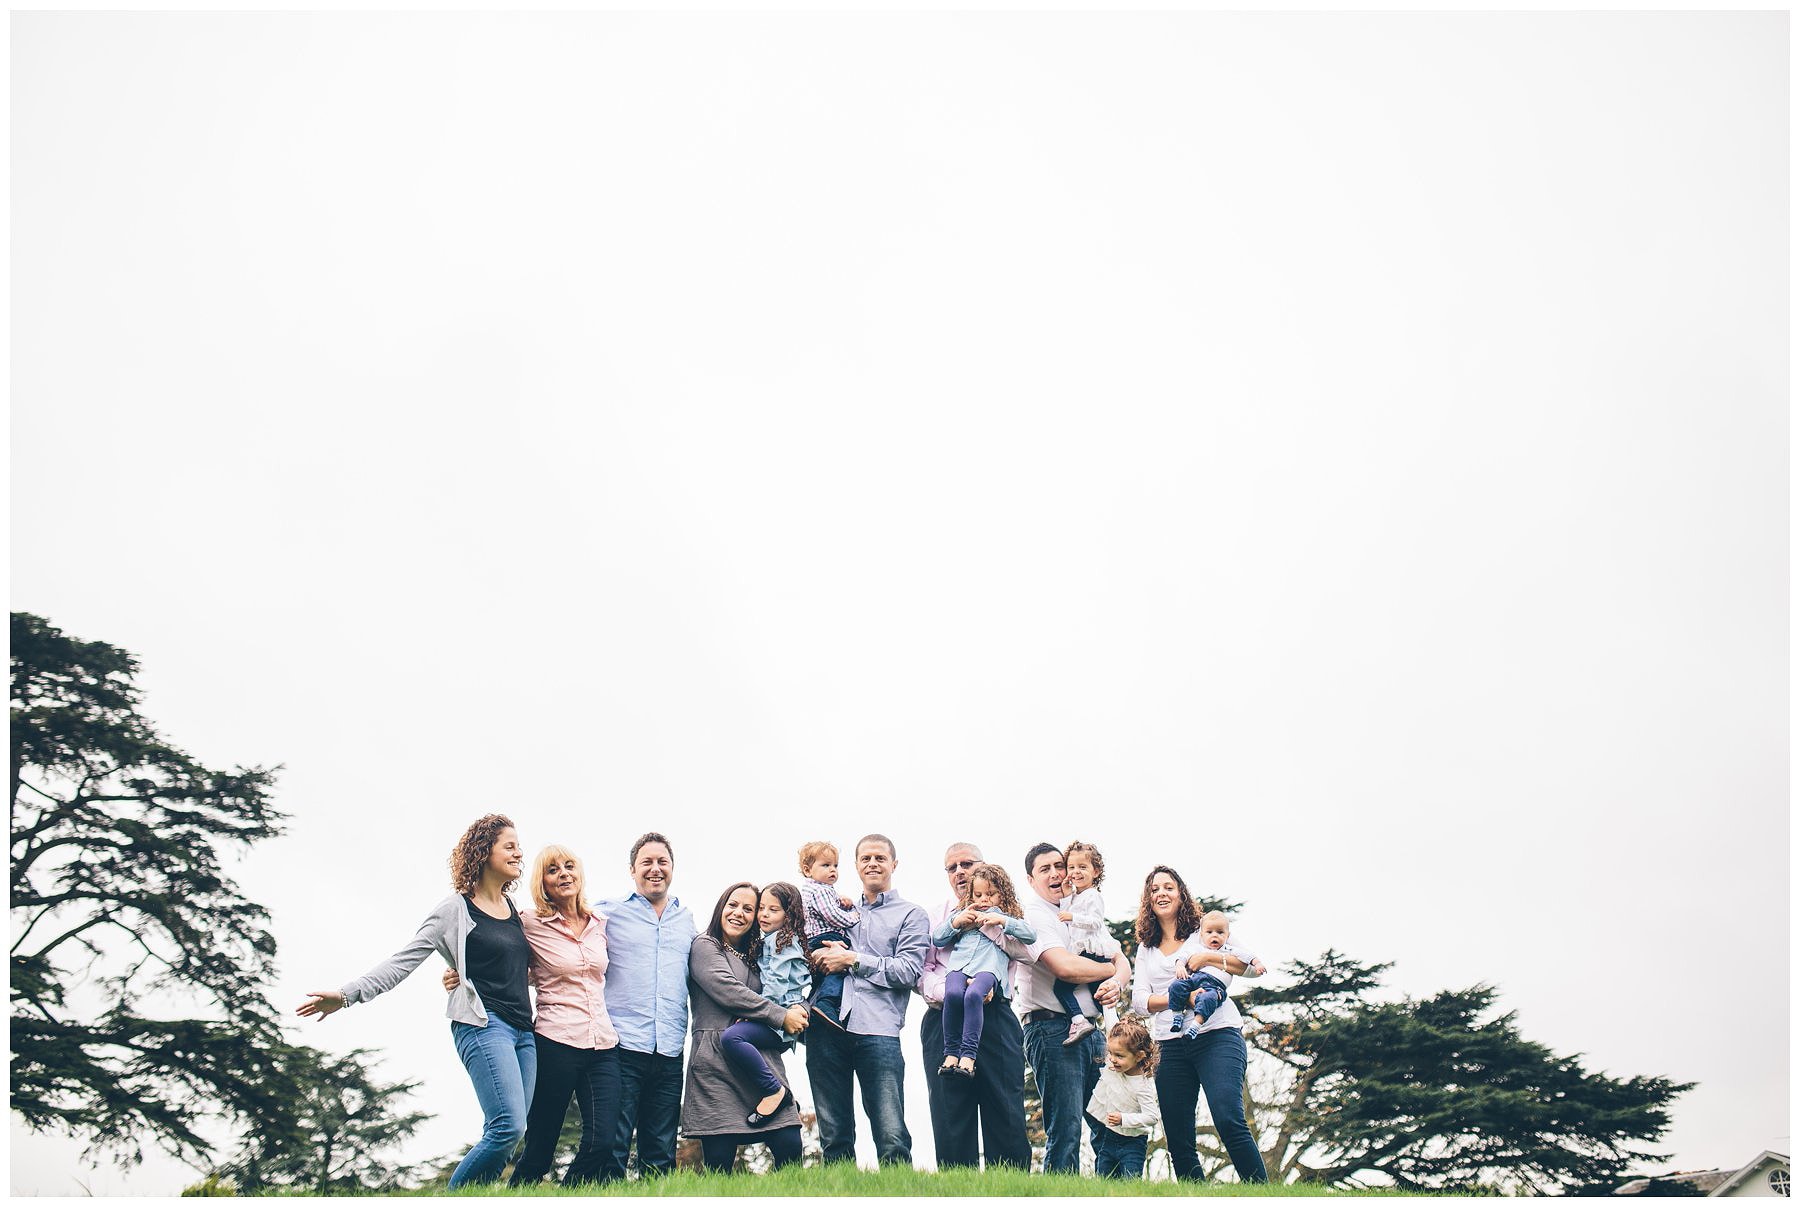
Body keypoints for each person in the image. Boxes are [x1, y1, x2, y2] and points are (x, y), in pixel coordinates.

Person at [296, 814, 535, 1190]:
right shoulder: (453, 910)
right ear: (483, 851)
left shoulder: (514, 911)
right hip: (484, 1025)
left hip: (524, 1031)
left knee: (509, 1133)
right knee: (508, 1126)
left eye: (519, 846)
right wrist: (345, 995)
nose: (519, 852)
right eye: (509, 845)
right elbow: (402, 961)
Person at [442, 844, 623, 1186]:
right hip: (555, 1042)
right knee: (540, 1149)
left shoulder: (601, 923)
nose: (564, 874)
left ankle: (568, 1195)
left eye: (569, 866)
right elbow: (498, 954)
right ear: (542, 882)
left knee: (604, 1141)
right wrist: (460, 973)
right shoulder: (528, 923)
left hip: (603, 1043)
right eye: (553, 870)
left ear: (580, 873)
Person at [1129, 865, 1267, 1183]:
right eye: (1154, 889)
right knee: (1178, 1137)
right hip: (1169, 1043)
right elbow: (1140, 1002)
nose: (1161, 893)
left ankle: (1262, 1193)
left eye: (1168, 887)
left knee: (1229, 1117)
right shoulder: (1146, 948)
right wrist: (1183, 999)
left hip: (1217, 1034)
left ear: (1181, 893)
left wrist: (1208, 958)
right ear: (1148, 900)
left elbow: (1246, 967)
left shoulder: (1203, 932)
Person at [806, 834, 930, 1166]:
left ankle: (898, 1193)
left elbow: (907, 971)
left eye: (879, 858)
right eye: (865, 858)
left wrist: (851, 959)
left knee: (891, 1134)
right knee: (833, 1136)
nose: (872, 863)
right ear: (857, 866)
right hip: (825, 1026)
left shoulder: (912, 915)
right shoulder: (837, 909)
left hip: (878, 1030)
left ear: (893, 864)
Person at [1014, 841, 1132, 1175]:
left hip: (1093, 1032)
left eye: (1059, 866)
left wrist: (1118, 981)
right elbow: (1064, 968)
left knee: (1108, 1122)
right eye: (1045, 869)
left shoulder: (1080, 905)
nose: (1056, 874)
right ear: (1031, 879)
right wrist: (1110, 972)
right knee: (1065, 1128)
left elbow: (1118, 955)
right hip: (1052, 1030)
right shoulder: (1034, 914)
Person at [917, 842, 1033, 1171]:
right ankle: (958, 1189)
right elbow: (922, 971)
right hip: (945, 1015)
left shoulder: (1007, 910)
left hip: (995, 1015)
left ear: (983, 867)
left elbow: (1029, 954)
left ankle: (1011, 1189)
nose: (960, 872)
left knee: (1005, 1108)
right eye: (951, 868)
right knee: (949, 1109)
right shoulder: (936, 916)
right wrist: (951, 990)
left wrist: (992, 926)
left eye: (967, 864)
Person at [681, 883, 809, 1172]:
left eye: (748, 909)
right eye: (733, 905)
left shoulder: (761, 952)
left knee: (789, 1146)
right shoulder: (705, 945)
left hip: (760, 1060)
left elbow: (794, 983)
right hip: (716, 1061)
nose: (739, 913)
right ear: (721, 907)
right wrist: (780, 1015)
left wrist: (803, 1007)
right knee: (720, 1163)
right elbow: (727, 990)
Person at [593, 833, 695, 1178]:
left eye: (662, 862)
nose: (655, 869)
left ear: (672, 868)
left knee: (661, 1150)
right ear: (632, 870)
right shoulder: (607, 912)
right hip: (622, 1045)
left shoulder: (687, 921)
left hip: (669, 1049)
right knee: (613, 1144)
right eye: (647, 863)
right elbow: (560, 935)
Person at [930, 862, 1034, 1077]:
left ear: (1002, 895)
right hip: (959, 966)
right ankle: (950, 1054)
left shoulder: (1005, 917)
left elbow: (1030, 935)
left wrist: (1003, 921)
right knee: (952, 994)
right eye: (978, 895)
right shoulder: (963, 912)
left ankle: (968, 1056)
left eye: (991, 894)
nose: (984, 900)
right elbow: (938, 939)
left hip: (988, 969)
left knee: (974, 995)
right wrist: (956, 923)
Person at [718, 882, 810, 1122]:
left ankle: (774, 1090)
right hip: (778, 1019)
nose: (764, 915)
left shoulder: (782, 940)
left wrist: (757, 1014)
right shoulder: (770, 940)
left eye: (773, 910)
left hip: (779, 1021)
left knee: (732, 1037)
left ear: (788, 915)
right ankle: (781, 1097)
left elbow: (777, 984)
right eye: (762, 908)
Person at [1053, 840, 1122, 1041]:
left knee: (1061, 988)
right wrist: (1066, 894)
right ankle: (1115, 1030)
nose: (1076, 872)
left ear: (1096, 871)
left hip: (1091, 951)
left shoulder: (1093, 895)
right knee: (1099, 994)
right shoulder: (1076, 895)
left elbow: (1095, 922)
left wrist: (1072, 917)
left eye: (1083, 867)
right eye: (1071, 867)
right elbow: (1067, 910)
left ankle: (1078, 1021)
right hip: (1084, 951)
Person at [1165, 909, 1265, 1038]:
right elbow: (1183, 956)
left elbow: (1247, 956)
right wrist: (1179, 965)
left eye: (1220, 932)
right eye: (1209, 932)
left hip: (1215, 986)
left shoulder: (1229, 950)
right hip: (1195, 980)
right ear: (1201, 935)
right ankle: (1177, 1015)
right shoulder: (1197, 948)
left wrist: (1258, 964)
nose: (1214, 936)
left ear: (1227, 935)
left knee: (1208, 999)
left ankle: (1196, 1025)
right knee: (1176, 986)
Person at [1085, 1015, 1161, 1179]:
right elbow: (1111, 1022)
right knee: (1104, 1179)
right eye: (1110, 1053)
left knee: (1130, 1182)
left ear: (1139, 1056)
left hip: (1133, 1143)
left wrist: (1123, 1119)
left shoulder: (1143, 1085)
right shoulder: (1113, 1066)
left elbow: (1152, 1116)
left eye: (1119, 1056)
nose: (1112, 1059)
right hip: (1109, 1137)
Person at [795, 840, 860, 1028]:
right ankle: (828, 1004)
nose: (833, 870)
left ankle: (811, 1010)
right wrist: (853, 915)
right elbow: (833, 916)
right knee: (839, 969)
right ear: (808, 870)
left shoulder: (812, 888)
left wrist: (841, 901)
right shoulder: (820, 890)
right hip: (827, 937)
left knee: (820, 979)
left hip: (813, 940)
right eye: (826, 865)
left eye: (835, 865)